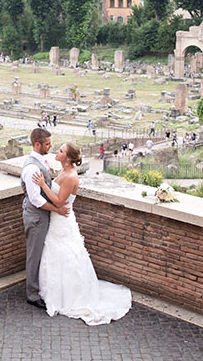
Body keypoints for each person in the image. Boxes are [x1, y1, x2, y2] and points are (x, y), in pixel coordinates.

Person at [32, 143, 131, 325]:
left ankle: (69, 297)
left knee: (66, 254)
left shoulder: (70, 176)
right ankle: (55, 291)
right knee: (56, 253)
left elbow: (60, 201)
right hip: (57, 219)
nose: (57, 151)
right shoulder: (64, 171)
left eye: (61, 151)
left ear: (68, 158)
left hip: (62, 220)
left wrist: (42, 185)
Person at [20, 128, 70, 308]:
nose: (51, 146)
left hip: (41, 216)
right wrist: (57, 209)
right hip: (36, 217)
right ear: (37, 144)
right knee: (34, 254)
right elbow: (36, 199)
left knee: (41, 253)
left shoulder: (41, 162)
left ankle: (40, 287)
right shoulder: (32, 167)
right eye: (47, 144)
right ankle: (32, 294)